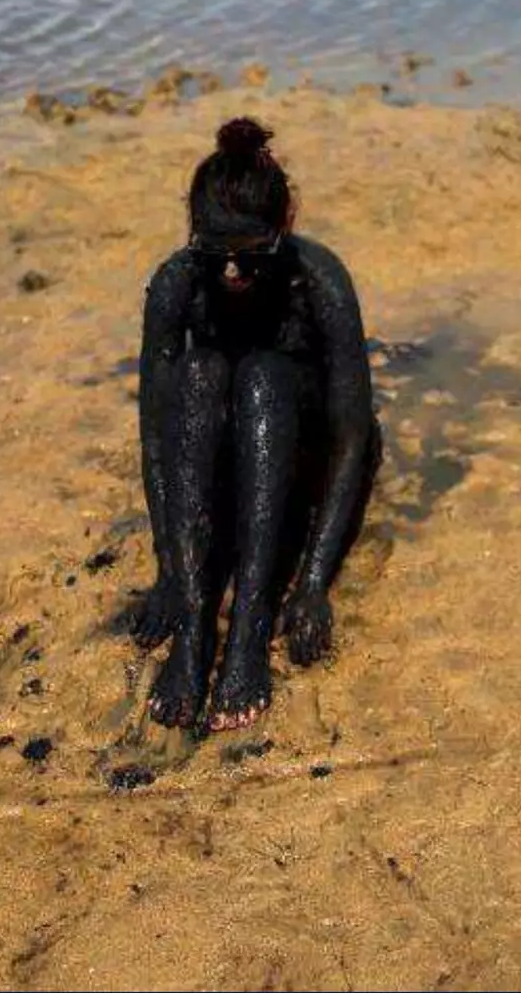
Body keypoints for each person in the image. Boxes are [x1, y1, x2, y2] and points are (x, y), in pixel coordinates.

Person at [133, 117, 381, 732]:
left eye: (252, 256)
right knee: (196, 376)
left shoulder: (319, 280)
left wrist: (315, 581)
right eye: (215, 255)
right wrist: (170, 568)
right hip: (219, 450)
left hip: (293, 451)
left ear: (285, 224)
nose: (233, 275)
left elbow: (354, 438)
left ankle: (247, 628)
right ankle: (194, 636)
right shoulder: (176, 282)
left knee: (264, 377)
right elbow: (156, 436)